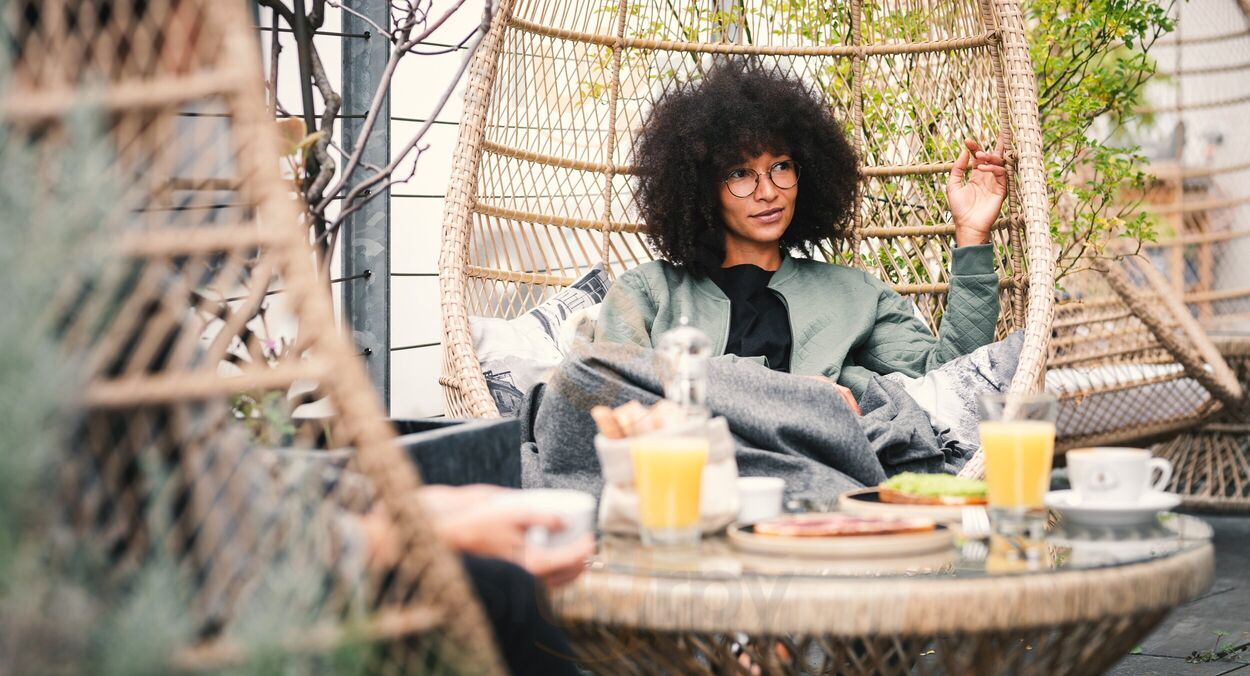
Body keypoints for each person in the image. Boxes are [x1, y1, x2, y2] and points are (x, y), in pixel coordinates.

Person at [594, 62, 1007, 413]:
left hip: (823, 465)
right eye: (740, 173)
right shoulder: (650, 291)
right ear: (701, 189)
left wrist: (971, 235)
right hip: (692, 466)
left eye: (781, 166)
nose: (768, 191)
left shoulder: (854, 295)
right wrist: (789, 392)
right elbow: (612, 394)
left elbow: (951, 379)